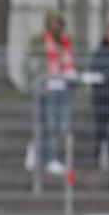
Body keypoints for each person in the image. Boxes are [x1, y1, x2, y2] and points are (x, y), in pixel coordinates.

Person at [27, 10, 77, 174]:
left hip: (63, 88)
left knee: (62, 126)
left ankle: (39, 150)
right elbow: (34, 64)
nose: (56, 25)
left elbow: (71, 62)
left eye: (58, 22)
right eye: (53, 22)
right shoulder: (41, 41)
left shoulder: (66, 41)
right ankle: (50, 159)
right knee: (49, 125)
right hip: (47, 89)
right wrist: (39, 82)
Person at [90, 21, 109, 171]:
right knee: (101, 128)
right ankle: (102, 156)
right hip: (102, 97)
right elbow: (96, 69)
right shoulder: (100, 51)